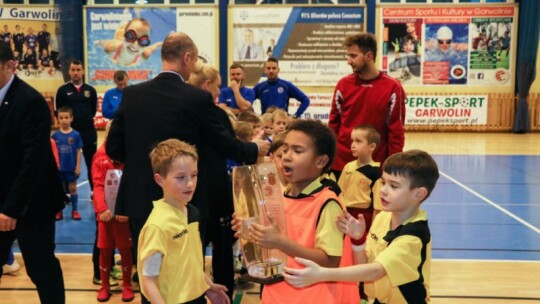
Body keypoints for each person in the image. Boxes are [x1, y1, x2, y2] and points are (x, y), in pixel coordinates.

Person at [106, 32, 268, 303]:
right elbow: (225, 145)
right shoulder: (196, 99)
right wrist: (255, 149)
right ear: (187, 58)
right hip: (181, 202)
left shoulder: (132, 94)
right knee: (184, 268)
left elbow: (113, 149)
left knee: (149, 275)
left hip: (141, 202)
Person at [283, 149, 440, 304]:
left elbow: (375, 271)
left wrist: (322, 274)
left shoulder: (414, 236)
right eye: (383, 182)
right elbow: (364, 266)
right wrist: (358, 241)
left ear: (419, 194)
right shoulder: (383, 218)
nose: (383, 191)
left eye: (394, 186)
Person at [232, 119, 360, 304]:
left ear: (321, 161)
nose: (286, 156)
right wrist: (251, 232)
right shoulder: (280, 196)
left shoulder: (328, 203)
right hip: (277, 294)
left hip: (313, 298)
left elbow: (330, 262)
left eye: (297, 151)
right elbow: (274, 243)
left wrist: (280, 242)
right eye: (284, 150)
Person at [0, 41, 66, 304]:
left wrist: (11, 209)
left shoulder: (31, 102)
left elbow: (33, 161)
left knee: (41, 267)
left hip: (32, 203)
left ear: (10, 66)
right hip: (3, 200)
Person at [139, 139, 230, 304]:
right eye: (180, 177)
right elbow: (148, 281)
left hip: (196, 298)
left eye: (194, 175)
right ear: (160, 180)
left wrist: (207, 286)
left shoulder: (192, 212)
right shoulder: (157, 226)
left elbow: (191, 262)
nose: (190, 183)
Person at [187, 61, 237, 300]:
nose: (219, 92)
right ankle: (224, 294)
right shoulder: (217, 114)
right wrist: (253, 148)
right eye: (217, 87)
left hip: (188, 194)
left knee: (192, 251)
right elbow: (231, 147)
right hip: (215, 194)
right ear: (207, 85)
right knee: (222, 250)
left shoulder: (180, 113)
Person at [329, 33, 406, 179]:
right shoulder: (343, 85)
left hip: (375, 166)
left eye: (353, 56)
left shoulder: (393, 87)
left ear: (369, 56)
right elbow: (333, 126)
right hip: (341, 166)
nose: (348, 61)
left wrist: (394, 164)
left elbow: (396, 131)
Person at [92, 121, 133, 302]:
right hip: (106, 215)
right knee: (105, 250)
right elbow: (98, 184)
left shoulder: (129, 155)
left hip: (122, 215)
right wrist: (102, 209)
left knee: (125, 249)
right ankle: (104, 285)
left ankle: (127, 285)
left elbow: (132, 185)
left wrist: (127, 209)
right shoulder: (100, 156)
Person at [55, 59, 98, 191]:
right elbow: (58, 111)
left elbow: (93, 110)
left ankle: (94, 191)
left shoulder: (91, 90)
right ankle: (65, 193)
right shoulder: (62, 90)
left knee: (92, 162)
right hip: (69, 133)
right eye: (73, 70)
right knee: (66, 161)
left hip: (88, 132)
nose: (75, 73)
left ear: (83, 72)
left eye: (78, 70)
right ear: (69, 72)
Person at [52, 107, 83, 220]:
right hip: (59, 169)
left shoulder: (76, 135)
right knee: (58, 190)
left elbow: (79, 151)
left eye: (66, 117)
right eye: (61, 118)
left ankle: (75, 210)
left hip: (71, 167)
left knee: (73, 189)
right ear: (58, 119)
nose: (64, 120)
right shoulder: (55, 136)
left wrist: (78, 166)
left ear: (71, 118)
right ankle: (59, 211)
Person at [95, 18, 162, 67]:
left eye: (143, 41)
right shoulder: (111, 48)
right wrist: (98, 43)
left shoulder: (144, 55)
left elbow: (156, 46)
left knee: (137, 26)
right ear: (125, 35)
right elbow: (102, 43)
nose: (135, 44)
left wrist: (162, 43)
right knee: (124, 21)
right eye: (130, 36)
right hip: (119, 33)